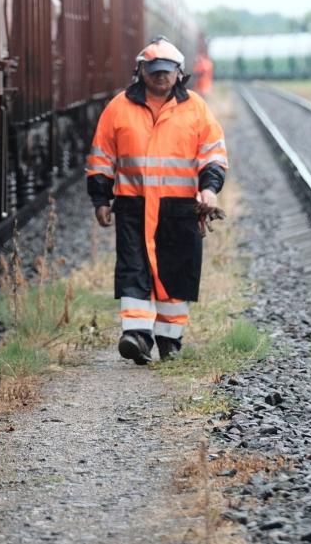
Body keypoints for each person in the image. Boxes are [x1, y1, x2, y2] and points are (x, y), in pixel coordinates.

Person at [85, 36, 229, 364]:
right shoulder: (119, 107)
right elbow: (102, 157)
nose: (161, 76)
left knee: (175, 272)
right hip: (134, 205)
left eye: (167, 71)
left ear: (179, 73)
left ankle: (169, 341)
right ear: (141, 72)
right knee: (134, 268)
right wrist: (100, 199)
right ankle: (135, 335)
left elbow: (214, 155)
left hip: (180, 208)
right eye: (154, 71)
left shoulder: (196, 108)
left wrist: (209, 189)